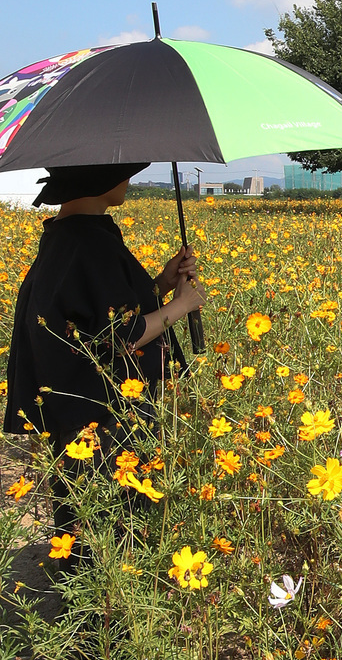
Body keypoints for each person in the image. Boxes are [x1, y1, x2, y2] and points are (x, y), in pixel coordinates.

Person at [4, 165, 206, 545]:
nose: (128, 181)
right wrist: (181, 305)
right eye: (125, 172)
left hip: (80, 413)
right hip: (105, 413)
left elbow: (101, 314)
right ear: (101, 179)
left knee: (86, 516)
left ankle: (95, 595)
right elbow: (118, 337)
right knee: (115, 523)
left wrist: (161, 283)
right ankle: (109, 603)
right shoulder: (89, 241)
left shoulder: (66, 235)